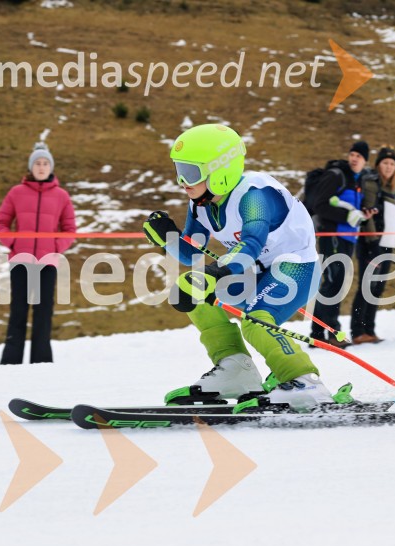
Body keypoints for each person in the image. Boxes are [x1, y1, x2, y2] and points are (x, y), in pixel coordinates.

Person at [143, 123, 334, 406]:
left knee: (256, 320)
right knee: (196, 296)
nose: (183, 182)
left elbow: (252, 243)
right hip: (252, 271)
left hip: (295, 267)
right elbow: (191, 253)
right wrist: (169, 239)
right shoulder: (201, 204)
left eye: (190, 172)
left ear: (220, 170)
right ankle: (236, 370)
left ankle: (304, 382)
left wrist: (217, 273)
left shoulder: (254, 195)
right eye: (179, 171)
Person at [0, 142, 76, 364]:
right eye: (38, 163)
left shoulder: (61, 196)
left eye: (45, 163)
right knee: (18, 309)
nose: (41, 167)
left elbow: (70, 229)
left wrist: (56, 247)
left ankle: (41, 361)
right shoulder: (16, 192)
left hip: (47, 262)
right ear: (31, 167)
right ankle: (11, 361)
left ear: (51, 167)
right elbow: (1, 223)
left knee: (43, 312)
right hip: (21, 260)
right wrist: (13, 242)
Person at [308, 140, 374, 348]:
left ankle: (318, 334)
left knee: (334, 283)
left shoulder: (357, 180)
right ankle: (332, 332)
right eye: (352, 154)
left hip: (348, 238)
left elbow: (352, 209)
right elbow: (320, 205)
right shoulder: (336, 175)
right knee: (332, 283)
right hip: (333, 235)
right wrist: (347, 215)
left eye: (359, 156)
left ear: (365, 161)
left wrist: (362, 214)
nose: (354, 158)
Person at [350, 146, 395, 344]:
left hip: (387, 245)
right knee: (367, 286)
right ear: (378, 165)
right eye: (385, 163)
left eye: (392, 164)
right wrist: (373, 242)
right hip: (371, 244)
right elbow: (369, 214)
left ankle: (369, 329)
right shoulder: (373, 185)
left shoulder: (394, 191)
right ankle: (358, 331)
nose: (389, 167)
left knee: (378, 288)